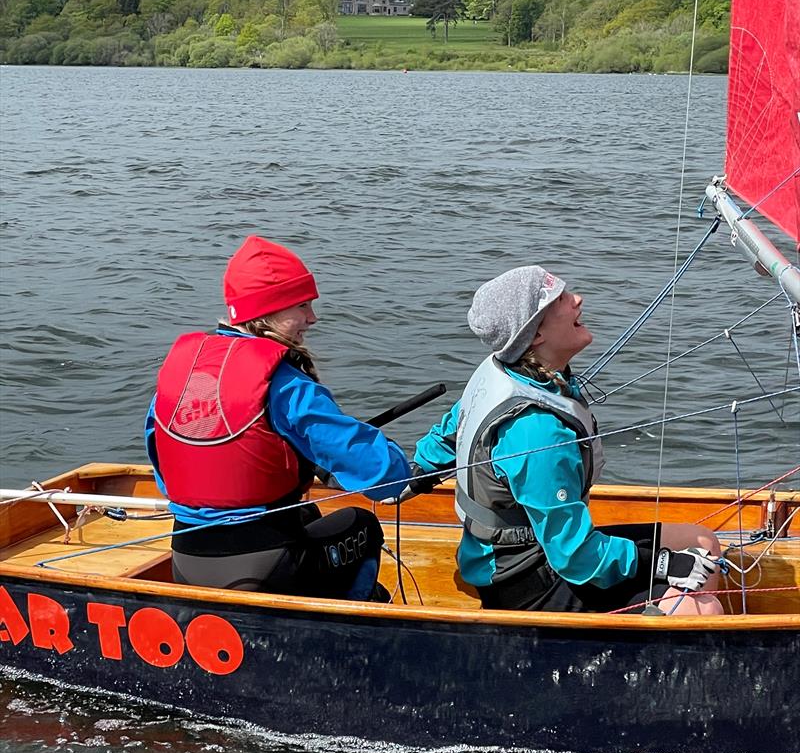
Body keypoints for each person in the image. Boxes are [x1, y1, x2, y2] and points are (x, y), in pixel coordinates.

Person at [403, 265, 723, 614]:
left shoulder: (509, 374)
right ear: (536, 334)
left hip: (539, 551)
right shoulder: (536, 431)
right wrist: (661, 564)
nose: (578, 301)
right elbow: (574, 556)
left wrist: (414, 473)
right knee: (700, 610)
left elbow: (450, 431)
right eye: (562, 299)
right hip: (528, 583)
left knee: (703, 543)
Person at [145, 234, 410, 600]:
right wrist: (394, 456)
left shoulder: (183, 375)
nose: (312, 318)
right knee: (361, 524)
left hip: (187, 560)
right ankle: (352, 631)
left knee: (307, 514)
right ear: (266, 311)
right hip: (262, 564)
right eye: (301, 306)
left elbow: (164, 468)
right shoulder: (286, 386)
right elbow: (386, 478)